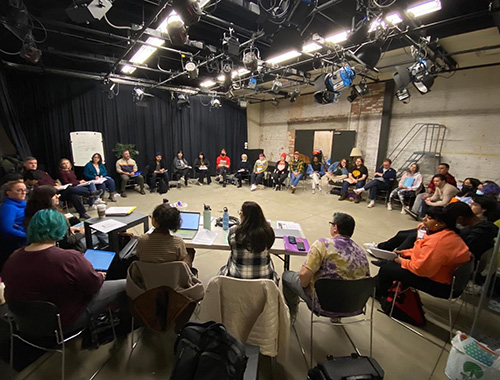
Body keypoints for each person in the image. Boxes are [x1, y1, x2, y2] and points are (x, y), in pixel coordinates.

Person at [2, 209, 127, 332]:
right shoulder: (68, 258)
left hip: (25, 322)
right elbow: (92, 287)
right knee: (126, 284)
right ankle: (123, 330)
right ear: (61, 229)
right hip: (62, 321)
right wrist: (99, 276)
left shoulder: (14, 257)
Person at [282, 212, 370, 320]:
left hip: (322, 305)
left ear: (335, 228)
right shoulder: (360, 252)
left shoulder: (323, 245)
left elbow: (304, 277)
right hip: (354, 306)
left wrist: (306, 286)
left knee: (287, 276)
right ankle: (337, 317)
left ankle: (292, 312)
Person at [375, 206, 471, 300]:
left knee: (387, 268)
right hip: (438, 274)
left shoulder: (439, 241)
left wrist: (400, 261)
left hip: (440, 285)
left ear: (440, 224)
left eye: (429, 218)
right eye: (425, 216)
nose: (424, 219)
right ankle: (380, 287)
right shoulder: (444, 234)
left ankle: (381, 295)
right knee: (393, 263)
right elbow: (422, 252)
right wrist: (404, 252)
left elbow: (421, 269)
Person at [24, 185, 107, 253]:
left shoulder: (34, 213)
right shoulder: (50, 216)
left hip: (66, 237)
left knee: (93, 226)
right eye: (54, 195)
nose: (58, 196)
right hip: (70, 247)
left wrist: (70, 228)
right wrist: (82, 233)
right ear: (46, 199)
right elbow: (65, 242)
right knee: (98, 233)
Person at [218, 201, 277, 282]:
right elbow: (269, 246)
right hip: (264, 280)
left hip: (236, 278)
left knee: (222, 272)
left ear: (243, 216)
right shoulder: (268, 232)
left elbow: (232, 247)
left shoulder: (234, 232)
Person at [23, 156, 90, 219]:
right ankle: (89, 194)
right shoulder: (26, 176)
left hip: (57, 191)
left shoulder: (42, 172)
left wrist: (56, 183)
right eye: (31, 163)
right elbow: (36, 187)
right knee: (70, 190)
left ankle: (82, 213)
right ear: (25, 164)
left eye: (35, 163)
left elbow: (51, 180)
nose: (34, 165)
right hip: (46, 194)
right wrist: (51, 187)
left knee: (72, 194)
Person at [136, 203, 195, 267]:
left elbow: (138, 255)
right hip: (172, 275)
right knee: (190, 251)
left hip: (146, 275)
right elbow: (181, 259)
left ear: (154, 221)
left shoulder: (142, 240)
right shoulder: (177, 242)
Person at [0, 181, 27, 271]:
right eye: (19, 190)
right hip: (17, 242)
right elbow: (6, 229)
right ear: (8, 192)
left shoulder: (23, 204)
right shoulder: (8, 207)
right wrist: (28, 236)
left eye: (24, 190)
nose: (23, 192)